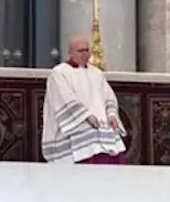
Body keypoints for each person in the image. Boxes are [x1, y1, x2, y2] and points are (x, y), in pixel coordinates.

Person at [41, 36, 126, 165]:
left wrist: (112, 115)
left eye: (87, 50)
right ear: (70, 52)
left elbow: (109, 98)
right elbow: (65, 99)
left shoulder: (97, 73)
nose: (85, 54)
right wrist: (86, 116)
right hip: (76, 126)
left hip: (101, 127)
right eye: (81, 51)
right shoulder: (59, 73)